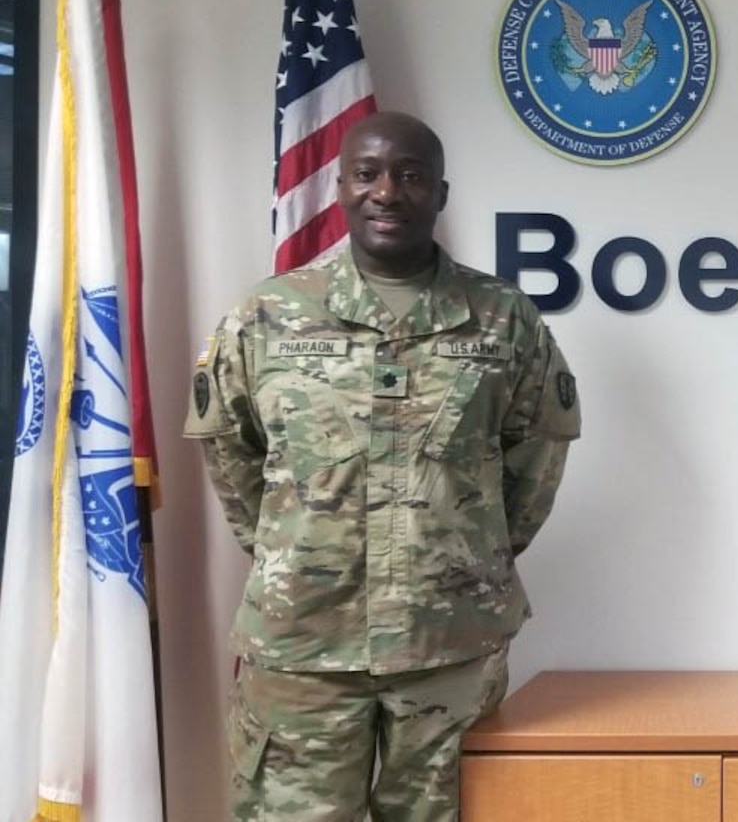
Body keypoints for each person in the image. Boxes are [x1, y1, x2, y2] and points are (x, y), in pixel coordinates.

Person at [185, 112, 581, 821]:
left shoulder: (501, 317)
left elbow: (536, 456)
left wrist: (461, 554)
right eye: (367, 174)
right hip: (303, 648)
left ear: (441, 193)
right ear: (339, 187)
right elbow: (231, 455)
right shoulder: (267, 316)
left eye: (410, 176)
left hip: (448, 646)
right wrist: (297, 553)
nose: (387, 192)